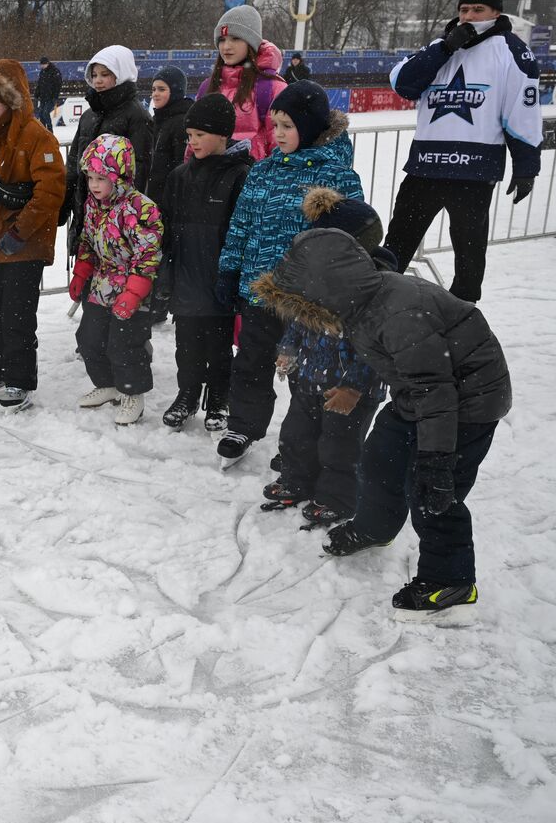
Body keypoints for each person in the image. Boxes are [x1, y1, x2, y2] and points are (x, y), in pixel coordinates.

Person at [263, 226, 510, 623]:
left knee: (431, 490)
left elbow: (436, 390)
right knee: (380, 458)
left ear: (329, 291)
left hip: (469, 402)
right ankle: (376, 527)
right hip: (420, 395)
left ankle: (451, 580)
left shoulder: (398, 313)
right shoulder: (360, 303)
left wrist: (435, 458)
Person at [215, 80, 363, 467]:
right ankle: (243, 424)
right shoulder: (261, 171)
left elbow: (352, 240)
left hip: (309, 297)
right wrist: (230, 271)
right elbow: (241, 225)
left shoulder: (337, 175)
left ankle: (302, 444)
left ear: (311, 127)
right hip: (261, 289)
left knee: (307, 372)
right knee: (251, 359)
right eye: (274, 125)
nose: (277, 134)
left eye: (287, 126)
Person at [384, 0, 542, 303]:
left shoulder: (512, 52)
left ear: (496, 14)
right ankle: (377, 314)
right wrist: (445, 47)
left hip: (473, 172)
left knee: (468, 262)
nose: (468, 17)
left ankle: (462, 326)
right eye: (464, 9)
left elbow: (522, 115)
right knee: (393, 253)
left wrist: (527, 166)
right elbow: (403, 82)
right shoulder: (439, 48)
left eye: (478, 9)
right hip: (424, 169)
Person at [253, 189, 387, 529]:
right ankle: (297, 479)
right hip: (310, 378)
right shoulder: (316, 278)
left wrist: (354, 387)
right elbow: (300, 319)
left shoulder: (376, 288)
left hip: (346, 391)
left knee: (340, 446)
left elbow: (375, 348)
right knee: (296, 435)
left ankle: (337, 497)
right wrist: (288, 349)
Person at [0, 58, 66, 411]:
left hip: (24, 245)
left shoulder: (37, 136)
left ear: (13, 98)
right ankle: (1, 368)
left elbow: (50, 190)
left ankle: (20, 379)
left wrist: (20, 232)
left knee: (17, 315)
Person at [155, 94, 252, 434]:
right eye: (189, 135)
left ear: (223, 135)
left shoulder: (240, 175)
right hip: (185, 277)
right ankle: (187, 393)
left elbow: (243, 232)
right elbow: (165, 229)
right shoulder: (179, 176)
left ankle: (218, 397)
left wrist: (233, 276)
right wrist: (165, 274)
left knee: (218, 347)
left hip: (218, 280)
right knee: (187, 345)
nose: (192, 141)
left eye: (200, 134)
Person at [69, 134, 163, 425]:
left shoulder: (141, 209)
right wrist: (81, 272)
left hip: (133, 287)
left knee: (124, 344)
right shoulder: (93, 205)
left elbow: (148, 254)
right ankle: (108, 384)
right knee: (88, 339)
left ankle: (132, 393)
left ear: (120, 177)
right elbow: (87, 241)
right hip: (102, 284)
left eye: (101, 178)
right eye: (90, 178)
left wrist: (134, 293)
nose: (94, 185)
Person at [65, 45, 153, 250]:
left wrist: (127, 213)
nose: (98, 80)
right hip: (86, 211)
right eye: (94, 75)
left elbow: (140, 169)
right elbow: (74, 162)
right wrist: (66, 200)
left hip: (119, 217)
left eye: (105, 74)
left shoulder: (137, 116)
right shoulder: (89, 115)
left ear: (121, 75)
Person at [196, 5, 287, 161]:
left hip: (252, 180)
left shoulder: (272, 88)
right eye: (222, 40)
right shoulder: (207, 87)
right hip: (209, 181)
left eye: (235, 38)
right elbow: (194, 141)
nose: (226, 46)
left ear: (251, 43)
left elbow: (281, 148)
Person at [144, 66, 192, 204]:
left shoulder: (181, 123)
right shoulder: (158, 120)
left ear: (176, 91)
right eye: (153, 89)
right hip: (155, 198)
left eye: (161, 89)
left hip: (170, 200)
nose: (155, 94)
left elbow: (181, 167)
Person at [33, 56, 62, 131]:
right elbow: (40, 84)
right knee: (41, 114)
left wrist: (55, 97)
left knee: (45, 113)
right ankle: (43, 131)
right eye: (41, 65)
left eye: (43, 64)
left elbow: (58, 85)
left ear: (48, 63)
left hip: (51, 97)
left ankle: (49, 130)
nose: (42, 66)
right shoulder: (42, 72)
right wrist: (36, 94)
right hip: (43, 97)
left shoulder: (55, 71)